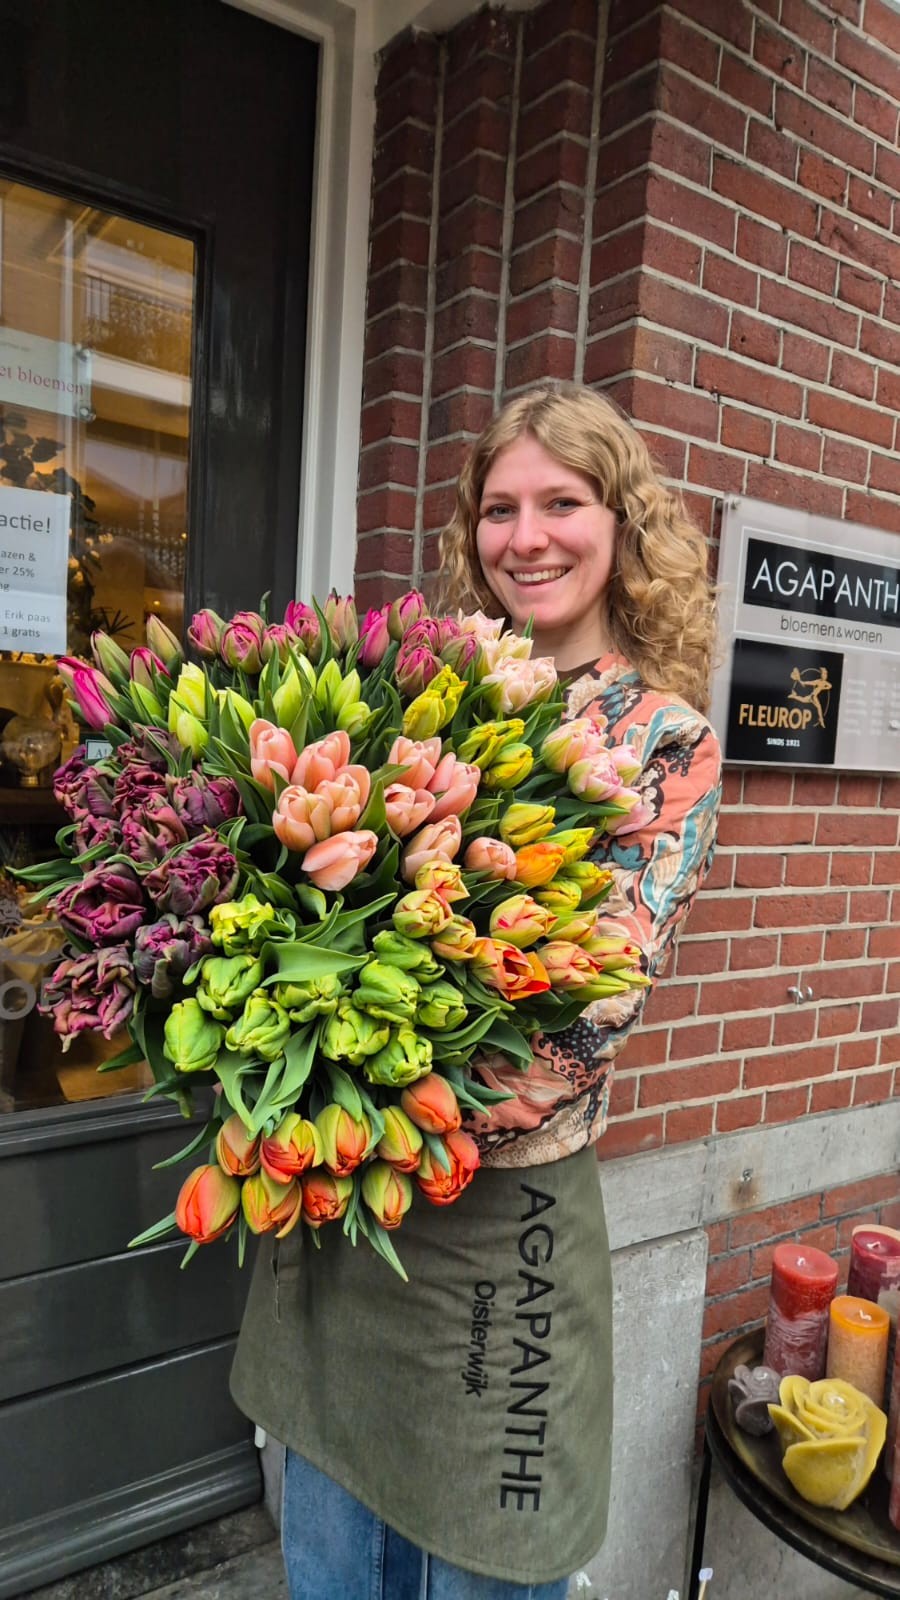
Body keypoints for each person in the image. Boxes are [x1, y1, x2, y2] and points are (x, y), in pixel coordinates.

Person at [230, 382, 722, 1599]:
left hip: (500, 1234)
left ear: (622, 521)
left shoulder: (662, 743)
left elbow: (577, 1029)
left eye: (563, 502)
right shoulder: (416, 697)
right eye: (500, 508)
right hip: (349, 1222)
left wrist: (329, 1073)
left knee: (493, 1567)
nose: (527, 536)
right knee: (334, 1557)